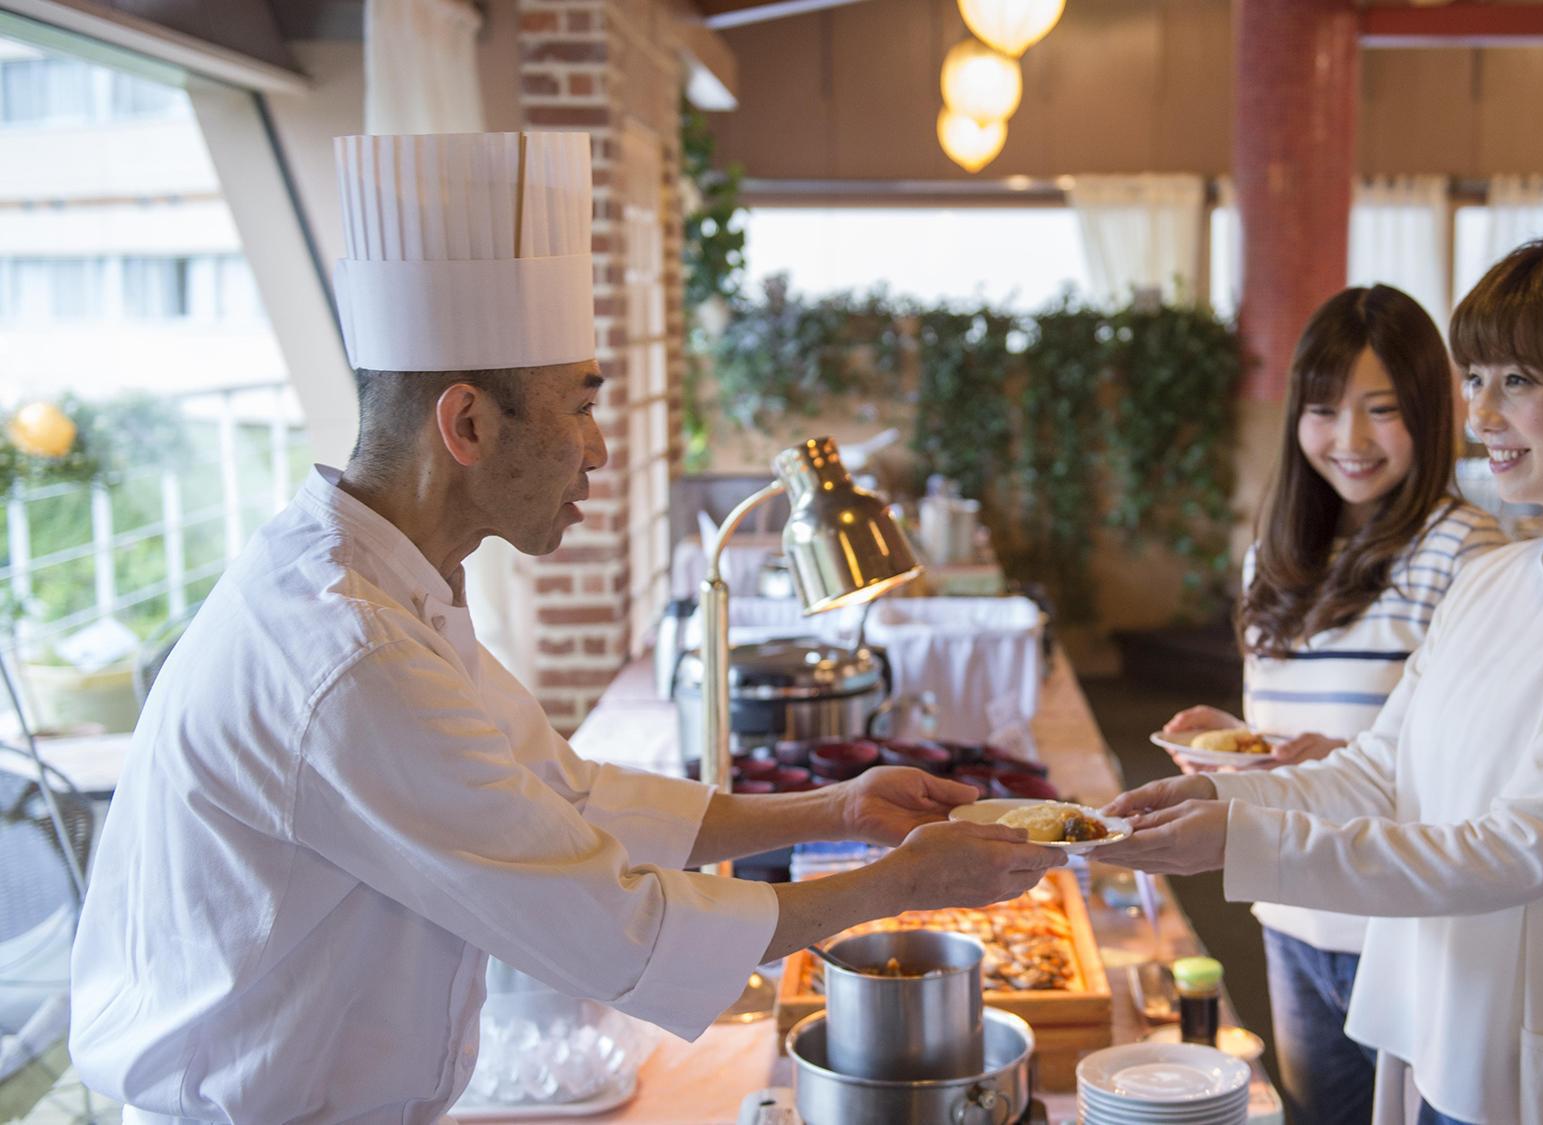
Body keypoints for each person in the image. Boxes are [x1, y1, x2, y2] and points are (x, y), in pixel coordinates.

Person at [68, 132, 1061, 1123]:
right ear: (465, 426)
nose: (595, 450)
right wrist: (894, 884)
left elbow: (566, 795)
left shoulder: (393, 586)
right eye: (579, 407)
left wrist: (835, 812)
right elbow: (615, 928)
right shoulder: (351, 653)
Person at [1102, 228, 1543, 1125]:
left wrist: (1238, 844)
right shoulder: (1499, 575)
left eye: (1520, 381)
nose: (1483, 414)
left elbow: (1512, 849)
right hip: (1431, 1018)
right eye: (1476, 378)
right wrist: (1225, 810)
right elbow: (1383, 767)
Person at [1161, 285, 1504, 1123]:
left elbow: (1478, 768)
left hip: (1404, 925)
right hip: (1289, 906)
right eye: (1322, 409)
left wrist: (1335, 761)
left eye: (1381, 410)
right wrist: (1234, 745)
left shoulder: (1468, 550)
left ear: (1431, 411)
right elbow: (1291, 733)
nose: (1348, 440)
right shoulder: (1276, 557)